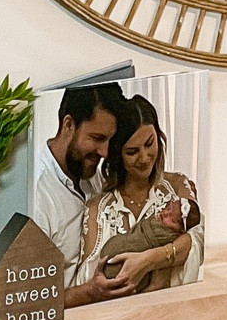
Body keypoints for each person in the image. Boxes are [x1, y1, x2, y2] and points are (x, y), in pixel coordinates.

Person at [77, 96, 204, 293]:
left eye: (149, 143)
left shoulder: (177, 185)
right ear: (117, 155)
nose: (144, 158)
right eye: (132, 151)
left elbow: (199, 238)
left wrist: (147, 261)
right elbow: (86, 276)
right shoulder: (97, 209)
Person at [30, 82, 137, 306]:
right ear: (68, 125)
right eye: (97, 139)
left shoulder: (93, 175)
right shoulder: (36, 195)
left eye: (110, 140)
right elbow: (30, 298)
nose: (105, 152)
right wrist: (90, 292)